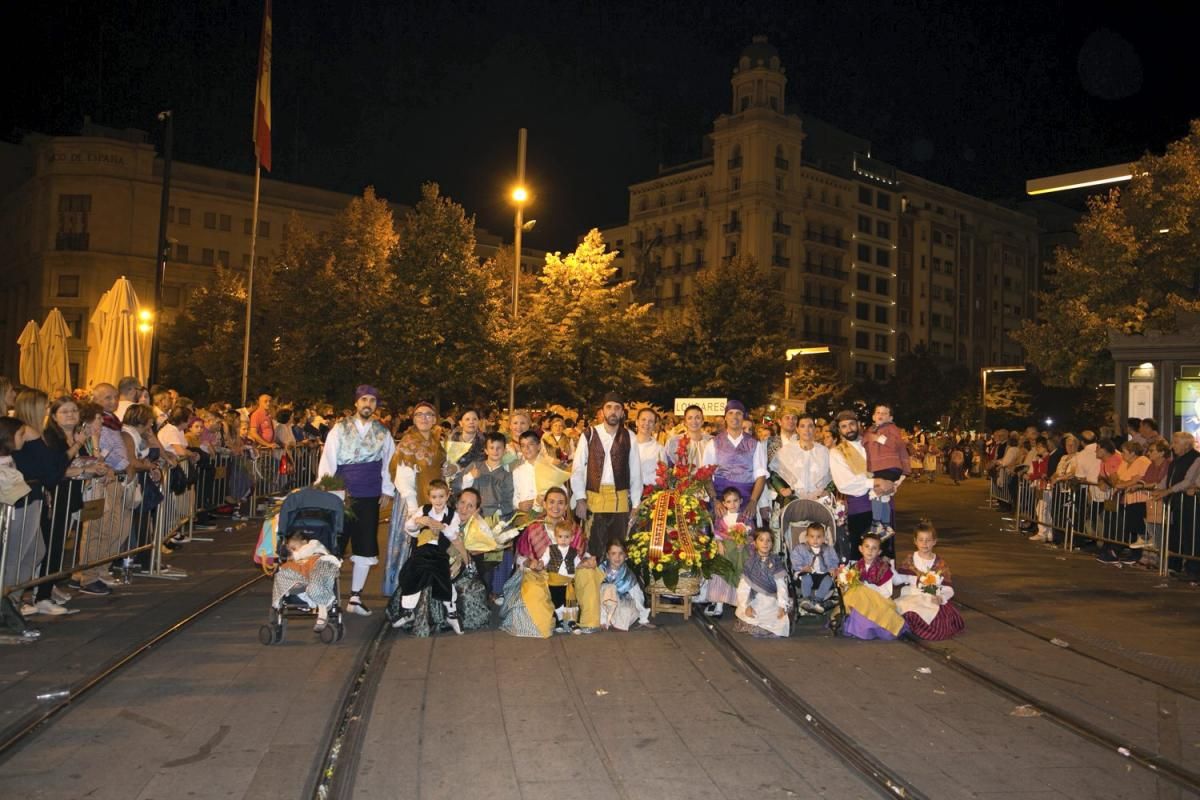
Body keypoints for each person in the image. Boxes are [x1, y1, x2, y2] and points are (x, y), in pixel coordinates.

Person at [316, 385, 396, 617]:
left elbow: (389, 463)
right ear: (356, 403)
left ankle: (355, 598)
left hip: (370, 496)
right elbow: (328, 460)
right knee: (334, 545)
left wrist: (387, 490)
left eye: (372, 400)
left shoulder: (383, 431)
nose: (367, 404)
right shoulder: (339, 429)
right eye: (364, 399)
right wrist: (327, 491)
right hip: (342, 496)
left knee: (365, 545)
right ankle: (326, 599)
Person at [501, 487, 602, 637]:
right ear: (544, 504)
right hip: (541, 575)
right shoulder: (533, 528)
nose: (556, 507)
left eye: (561, 503)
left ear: (566, 506)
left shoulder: (574, 529)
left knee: (588, 572)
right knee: (534, 593)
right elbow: (520, 557)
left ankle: (588, 622)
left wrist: (589, 560)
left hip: (569, 576)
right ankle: (552, 619)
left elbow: (582, 554)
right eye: (552, 502)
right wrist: (531, 563)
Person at [387, 479, 470, 634]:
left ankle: (451, 613)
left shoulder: (452, 515)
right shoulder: (423, 510)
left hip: (440, 552)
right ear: (429, 497)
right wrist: (419, 520)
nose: (438, 500)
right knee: (412, 571)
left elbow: (454, 535)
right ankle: (407, 611)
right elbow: (409, 527)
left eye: (441, 496)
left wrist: (442, 527)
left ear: (447, 496)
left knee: (441, 574)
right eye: (434, 497)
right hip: (421, 550)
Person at [570, 393, 642, 558]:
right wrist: (580, 498)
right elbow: (578, 469)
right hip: (594, 498)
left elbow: (636, 471)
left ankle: (617, 583)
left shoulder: (629, 436)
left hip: (620, 499)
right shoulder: (589, 434)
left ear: (622, 413)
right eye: (609, 407)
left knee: (617, 548)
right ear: (602, 411)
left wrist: (636, 504)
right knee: (593, 548)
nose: (613, 411)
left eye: (617, 408)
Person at [893, 521, 965, 640]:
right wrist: (890, 569)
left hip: (931, 598)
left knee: (939, 624)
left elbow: (948, 589)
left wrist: (941, 598)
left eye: (928, 540)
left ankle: (916, 629)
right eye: (921, 540)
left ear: (934, 542)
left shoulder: (940, 564)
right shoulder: (910, 560)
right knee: (907, 611)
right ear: (915, 541)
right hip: (913, 595)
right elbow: (899, 579)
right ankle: (910, 628)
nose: (924, 543)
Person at [702, 399, 768, 525]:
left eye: (738, 413)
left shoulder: (754, 444)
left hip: (746, 500)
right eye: (731, 413)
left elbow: (761, 475)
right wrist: (715, 500)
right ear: (725, 417)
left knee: (745, 537)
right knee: (721, 537)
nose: (734, 417)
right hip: (721, 501)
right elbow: (705, 474)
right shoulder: (713, 443)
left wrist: (753, 501)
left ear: (743, 417)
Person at [837, 532, 906, 640]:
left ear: (879, 552)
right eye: (867, 547)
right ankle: (858, 628)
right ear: (861, 549)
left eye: (874, 548)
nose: (870, 550)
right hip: (861, 602)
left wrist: (867, 587)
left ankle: (872, 628)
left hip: (878, 600)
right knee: (856, 593)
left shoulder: (884, 568)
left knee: (860, 591)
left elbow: (887, 592)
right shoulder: (856, 566)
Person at [829, 410, 874, 560]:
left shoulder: (872, 445)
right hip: (860, 507)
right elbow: (845, 484)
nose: (849, 429)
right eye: (844, 426)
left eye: (852, 424)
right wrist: (873, 482)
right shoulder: (837, 452)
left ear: (858, 424)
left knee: (884, 549)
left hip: (884, 503)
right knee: (860, 549)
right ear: (839, 430)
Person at [275, 530, 342, 632]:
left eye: (294, 548)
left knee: (316, 581)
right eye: (291, 549)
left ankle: (323, 609)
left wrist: (291, 555)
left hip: (321, 565)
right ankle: (307, 594)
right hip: (306, 576)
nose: (294, 551)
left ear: (304, 542)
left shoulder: (314, 544)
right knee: (283, 573)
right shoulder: (296, 561)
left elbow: (305, 551)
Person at [700, 487, 751, 618]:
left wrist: (743, 542)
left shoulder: (745, 517)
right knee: (720, 573)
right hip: (725, 551)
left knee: (740, 573)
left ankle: (740, 603)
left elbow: (751, 533)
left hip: (740, 552)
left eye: (735, 501)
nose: (732, 504)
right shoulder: (721, 517)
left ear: (741, 501)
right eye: (728, 501)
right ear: (724, 503)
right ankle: (718, 604)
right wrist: (719, 543)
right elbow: (717, 532)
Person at [864, 404, 909, 541]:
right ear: (873, 416)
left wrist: (878, 438)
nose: (880, 415)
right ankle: (886, 526)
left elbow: (896, 445)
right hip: (877, 468)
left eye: (884, 413)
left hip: (889, 466)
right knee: (883, 498)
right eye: (878, 412)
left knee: (876, 493)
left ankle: (876, 523)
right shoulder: (869, 431)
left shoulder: (891, 428)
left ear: (890, 417)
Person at [734, 528, 791, 638]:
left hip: (771, 600)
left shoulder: (776, 562)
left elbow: (782, 586)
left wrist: (782, 605)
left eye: (768, 540)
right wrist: (746, 605)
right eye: (761, 540)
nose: (765, 543)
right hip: (754, 599)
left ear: (772, 544)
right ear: (755, 543)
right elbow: (743, 588)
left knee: (779, 620)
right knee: (748, 615)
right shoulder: (750, 563)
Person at [597, 539, 654, 630]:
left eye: (621, 553)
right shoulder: (600, 570)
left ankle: (613, 620)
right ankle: (604, 621)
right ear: (607, 555)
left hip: (620, 601)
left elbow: (637, 595)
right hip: (602, 604)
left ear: (625, 555)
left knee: (628, 611)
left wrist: (643, 617)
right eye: (613, 553)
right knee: (609, 587)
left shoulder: (628, 575)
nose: (617, 557)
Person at [789, 522, 839, 614]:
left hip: (822, 574)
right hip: (806, 572)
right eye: (812, 537)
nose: (815, 540)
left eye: (819, 537)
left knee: (829, 580)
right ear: (807, 537)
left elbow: (834, 560)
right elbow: (795, 559)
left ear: (824, 538)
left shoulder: (828, 549)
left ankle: (818, 600)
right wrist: (802, 567)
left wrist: (833, 568)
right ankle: (806, 599)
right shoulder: (800, 548)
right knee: (806, 578)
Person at [634, 407, 666, 492]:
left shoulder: (659, 449)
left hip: (648, 495)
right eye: (643, 419)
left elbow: (662, 476)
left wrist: (639, 478)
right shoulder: (625, 444)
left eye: (650, 421)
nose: (646, 423)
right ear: (636, 422)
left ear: (655, 425)